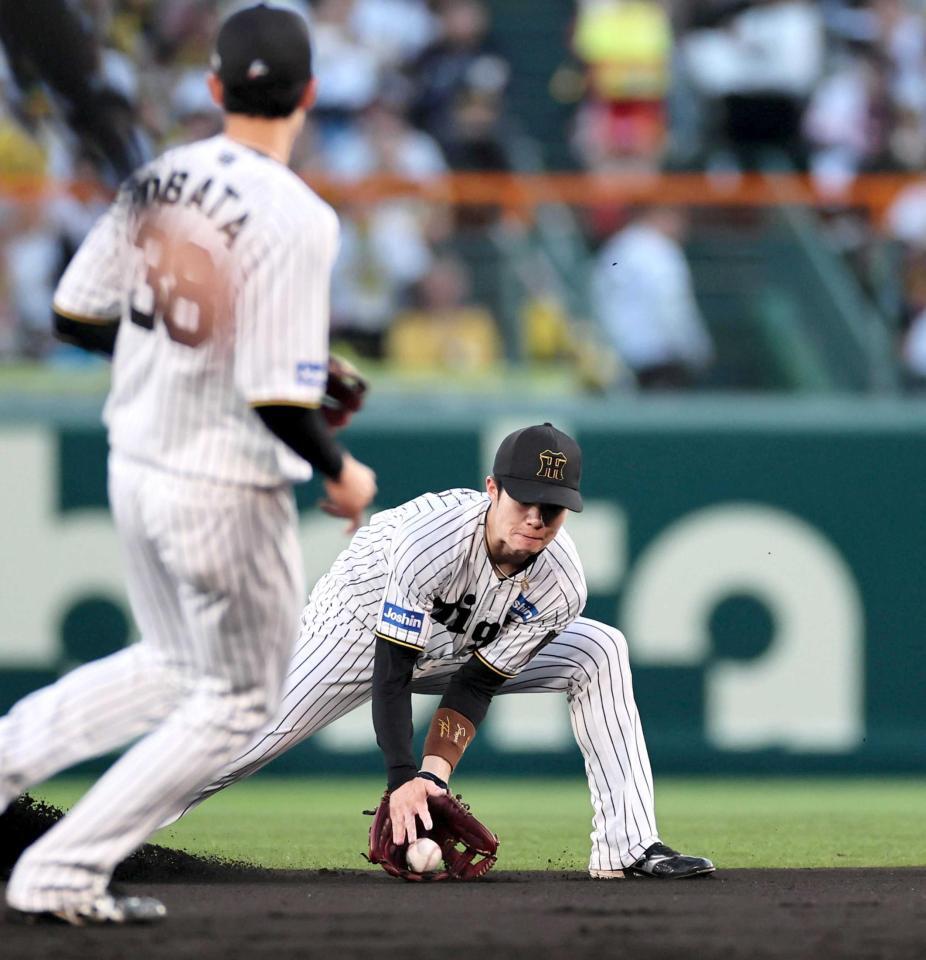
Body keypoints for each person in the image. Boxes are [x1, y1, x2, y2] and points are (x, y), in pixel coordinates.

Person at [0, 3, 377, 926]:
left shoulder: (160, 179)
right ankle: (62, 869)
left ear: (213, 87)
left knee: (175, 665)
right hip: (224, 485)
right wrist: (339, 469)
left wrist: (213, 349)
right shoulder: (297, 214)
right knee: (244, 698)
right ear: (310, 95)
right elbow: (275, 396)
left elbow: (75, 315)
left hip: (138, 465)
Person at [168, 422, 714, 881]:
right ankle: (118, 825)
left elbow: (476, 682)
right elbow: (393, 672)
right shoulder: (434, 540)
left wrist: (432, 778)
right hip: (356, 630)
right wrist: (401, 778)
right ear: (492, 489)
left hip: (460, 645)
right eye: (524, 500)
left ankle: (628, 845)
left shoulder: (562, 583)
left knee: (599, 648)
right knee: (247, 742)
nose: (536, 518)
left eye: (553, 507)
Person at [593, 206, 714, 389]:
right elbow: (671, 306)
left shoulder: (617, 246)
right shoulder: (660, 250)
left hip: (617, 356)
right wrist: (695, 349)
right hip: (659, 359)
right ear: (663, 215)